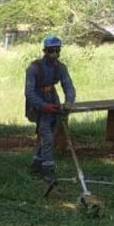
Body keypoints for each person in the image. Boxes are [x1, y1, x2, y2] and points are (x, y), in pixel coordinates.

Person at [24, 35, 76, 179]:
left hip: (54, 102)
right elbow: (29, 92)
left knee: (49, 134)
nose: (54, 54)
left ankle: (36, 164)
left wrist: (69, 102)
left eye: (57, 51)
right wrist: (43, 106)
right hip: (38, 105)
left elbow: (68, 86)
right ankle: (48, 169)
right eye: (51, 51)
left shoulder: (61, 68)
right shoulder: (34, 68)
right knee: (46, 136)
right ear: (45, 51)